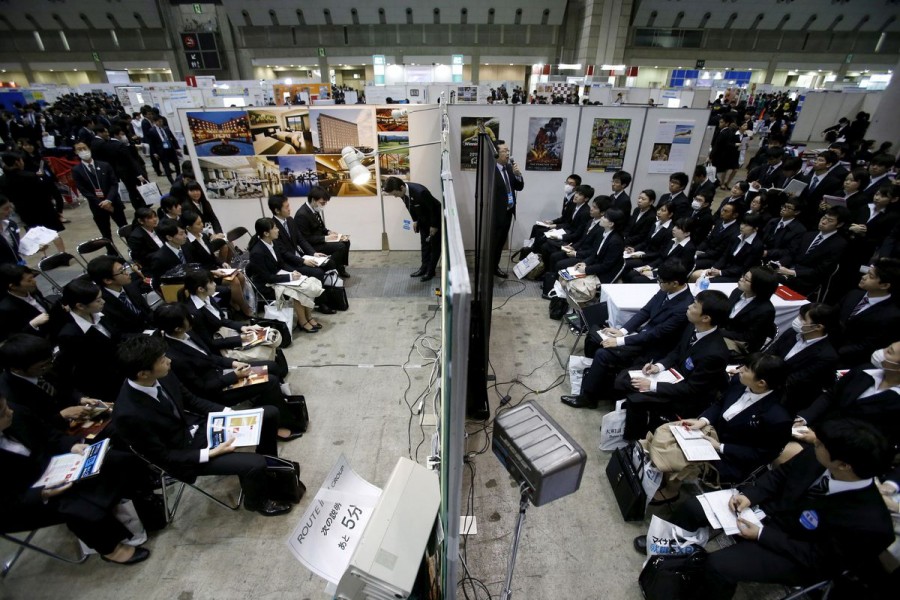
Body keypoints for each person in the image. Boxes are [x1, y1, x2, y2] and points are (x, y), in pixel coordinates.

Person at [635, 419, 894, 600]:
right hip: (767, 513)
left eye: (820, 444)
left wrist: (760, 535)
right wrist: (749, 495)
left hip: (795, 552)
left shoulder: (870, 524)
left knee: (718, 566)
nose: (813, 443)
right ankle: (666, 551)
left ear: (844, 465)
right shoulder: (818, 458)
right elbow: (779, 477)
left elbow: (819, 559)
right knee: (693, 508)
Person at [112, 335, 293, 517]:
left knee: (269, 414)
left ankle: (267, 469)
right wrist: (210, 453)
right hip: (185, 455)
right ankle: (258, 502)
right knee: (254, 464)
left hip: (199, 428)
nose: (169, 361)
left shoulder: (162, 375)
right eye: (162, 360)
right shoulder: (128, 414)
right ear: (143, 373)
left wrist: (230, 413)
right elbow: (163, 457)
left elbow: (192, 401)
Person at [0, 395, 151, 564]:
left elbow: (47, 433)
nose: (10, 411)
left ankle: (145, 506)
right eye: (3, 412)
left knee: (117, 461)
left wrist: (71, 445)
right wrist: (41, 494)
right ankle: (111, 548)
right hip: (19, 499)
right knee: (73, 504)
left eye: (6, 407)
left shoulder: (13, 413)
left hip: (51, 465)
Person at [650, 354, 793, 501]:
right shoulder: (739, 382)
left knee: (677, 455)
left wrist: (720, 447)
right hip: (712, 433)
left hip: (732, 457)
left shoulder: (778, 418)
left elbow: (761, 454)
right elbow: (720, 403)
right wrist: (703, 421)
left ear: (761, 383)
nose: (740, 370)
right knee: (669, 432)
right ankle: (661, 471)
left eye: (746, 369)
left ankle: (671, 490)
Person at [153, 303, 304, 439]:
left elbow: (209, 356)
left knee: (271, 367)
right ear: (177, 328)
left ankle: (269, 400)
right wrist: (234, 376)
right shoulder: (174, 357)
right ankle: (278, 426)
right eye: (187, 318)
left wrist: (233, 363)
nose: (191, 318)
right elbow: (201, 389)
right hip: (216, 390)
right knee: (269, 381)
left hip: (220, 372)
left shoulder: (188, 334)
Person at [561, 260, 694, 409]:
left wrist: (620, 341)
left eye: (661, 281)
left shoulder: (683, 307)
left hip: (654, 348)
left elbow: (656, 334)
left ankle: (589, 397)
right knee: (596, 335)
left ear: (675, 283)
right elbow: (645, 312)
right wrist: (622, 331)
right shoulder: (666, 290)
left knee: (603, 353)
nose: (659, 284)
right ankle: (596, 382)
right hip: (642, 336)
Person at [617, 289, 731, 440]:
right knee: (624, 378)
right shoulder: (692, 326)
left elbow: (692, 389)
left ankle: (635, 442)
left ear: (706, 318)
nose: (689, 306)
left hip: (686, 396)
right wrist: (658, 366)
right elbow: (677, 351)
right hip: (672, 375)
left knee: (636, 399)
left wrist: (651, 386)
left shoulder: (714, 353)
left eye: (695, 306)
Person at [55, 279, 126, 403]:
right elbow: (75, 371)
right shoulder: (70, 335)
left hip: (124, 369)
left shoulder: (98, 314)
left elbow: (118, 337)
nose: (103, 302)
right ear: (80, 306)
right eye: (98, 300)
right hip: (106, 386)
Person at [248, 218, 324, 334]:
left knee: (308, 282)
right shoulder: (257, 252)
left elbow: (281, 264)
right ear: (266, 233)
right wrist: (289, 277)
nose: (278, 230)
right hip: (267, 284)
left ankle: (308, 317)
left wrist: (293, 272)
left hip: (278, 277)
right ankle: (302, 321)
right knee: (297, 292)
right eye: (275, 228)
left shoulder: (273, 243)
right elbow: (267, 277)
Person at [833, 258, 900, 368]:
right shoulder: (853, 294)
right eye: (867, 273)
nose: (864, 277)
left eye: (871, 276)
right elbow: (830, 316)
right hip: (826, 347)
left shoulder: (892, 316)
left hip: (849, 360)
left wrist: (835, 352)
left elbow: (868, 346)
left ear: (884, 285)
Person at [775, 206, 849, 295]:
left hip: (807, 280)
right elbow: (792, 253)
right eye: (824, 218)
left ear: (839, 224)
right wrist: (779, 263)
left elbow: (821, 270)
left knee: (771, 280)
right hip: (789, 270)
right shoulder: (809, 235)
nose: (824, 222)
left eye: (830, 221)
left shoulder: (839, 244)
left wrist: (792, 272)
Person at [383, 176, 442, 281]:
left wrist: (434, 226)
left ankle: (430, 271)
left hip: (434, 219)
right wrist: (415, 220)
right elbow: (409, 206)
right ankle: (424, 268)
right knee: (425, 244)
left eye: (395, 194)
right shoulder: (403, 193)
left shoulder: (421, 192)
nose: (395, 197)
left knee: (434, 246)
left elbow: (435, 208)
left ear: (401, 188)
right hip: (422, 219)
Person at [70, 141, 128, 241]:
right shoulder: (76, 170)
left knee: (125, 228)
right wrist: (101, 203)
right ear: (76, 152)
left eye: (85, 148)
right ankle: (112, 253)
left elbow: (114, 184)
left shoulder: (105, 165)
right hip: (97, 206)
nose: (83, 151)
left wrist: (109, 200)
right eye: (79, 149)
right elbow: (83, 190)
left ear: (89, 149)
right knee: (106, 234)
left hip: (113, 202)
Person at [86, 255, 153, 336]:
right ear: (108, 280)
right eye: (122, 271)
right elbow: (119, 334)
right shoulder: (101, 304)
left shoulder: (129, 285)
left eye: (124, 268)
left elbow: (147, 311)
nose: (127, 273)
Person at [720, 266, 779, 356]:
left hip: (741, 344)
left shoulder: (766, 310)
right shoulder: (737, 291)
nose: (741, 279)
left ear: (758, 286)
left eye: (746, 279)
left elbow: (749, 337)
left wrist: (720, 332)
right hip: (725, 332)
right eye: (743, 276)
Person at [293, 186, 351, 277]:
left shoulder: (314, 209)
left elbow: (320, 227)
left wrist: (329, 232)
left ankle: (340, 267)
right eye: (322, 203)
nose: (323, 205)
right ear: (313, 200)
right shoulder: (302, 215)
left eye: (325, 203)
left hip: (320, 239)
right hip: (312, 245)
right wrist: (326, 238)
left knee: (346, 241)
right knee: (340, 246)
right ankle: (330, 269)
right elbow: (305, 239)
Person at [489, 140, 524, 278]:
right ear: (497, 153)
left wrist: (518, 174)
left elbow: (519, 187)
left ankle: (494, 267)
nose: (508, 153)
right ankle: (489, 267)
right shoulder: (491, 170)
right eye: (504, 151)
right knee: (493, 243)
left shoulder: (510, 168)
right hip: (495, 214)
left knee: (501, 243)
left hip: (508, 212)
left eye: (508, 150)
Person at [0, 263, 54, 339]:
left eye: (32, 277)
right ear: (13, 286)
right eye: (29, 280)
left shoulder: (32, 289)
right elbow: (14, 337)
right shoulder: (6, 309)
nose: (34, 281)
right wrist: (32, 325)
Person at [145, 114, 180, 183]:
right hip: (161, 151)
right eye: (159, 122)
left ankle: (178, 178)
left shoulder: (166, 128)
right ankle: (172, 182)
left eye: (162, 121)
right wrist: (154, 153)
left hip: (171, 149)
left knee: (177, 164)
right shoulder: (151, 131)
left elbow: (172, 138)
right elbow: (151, 143)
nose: (161, 123)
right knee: (166, 167)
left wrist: (177, 147)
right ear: (155, 122)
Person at [0, 195, 24, 266]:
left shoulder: (11, 224)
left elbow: (15, 249)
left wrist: (35, 248)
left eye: (10, 207)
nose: (10, 210)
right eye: (6, 209)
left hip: (18, 266)